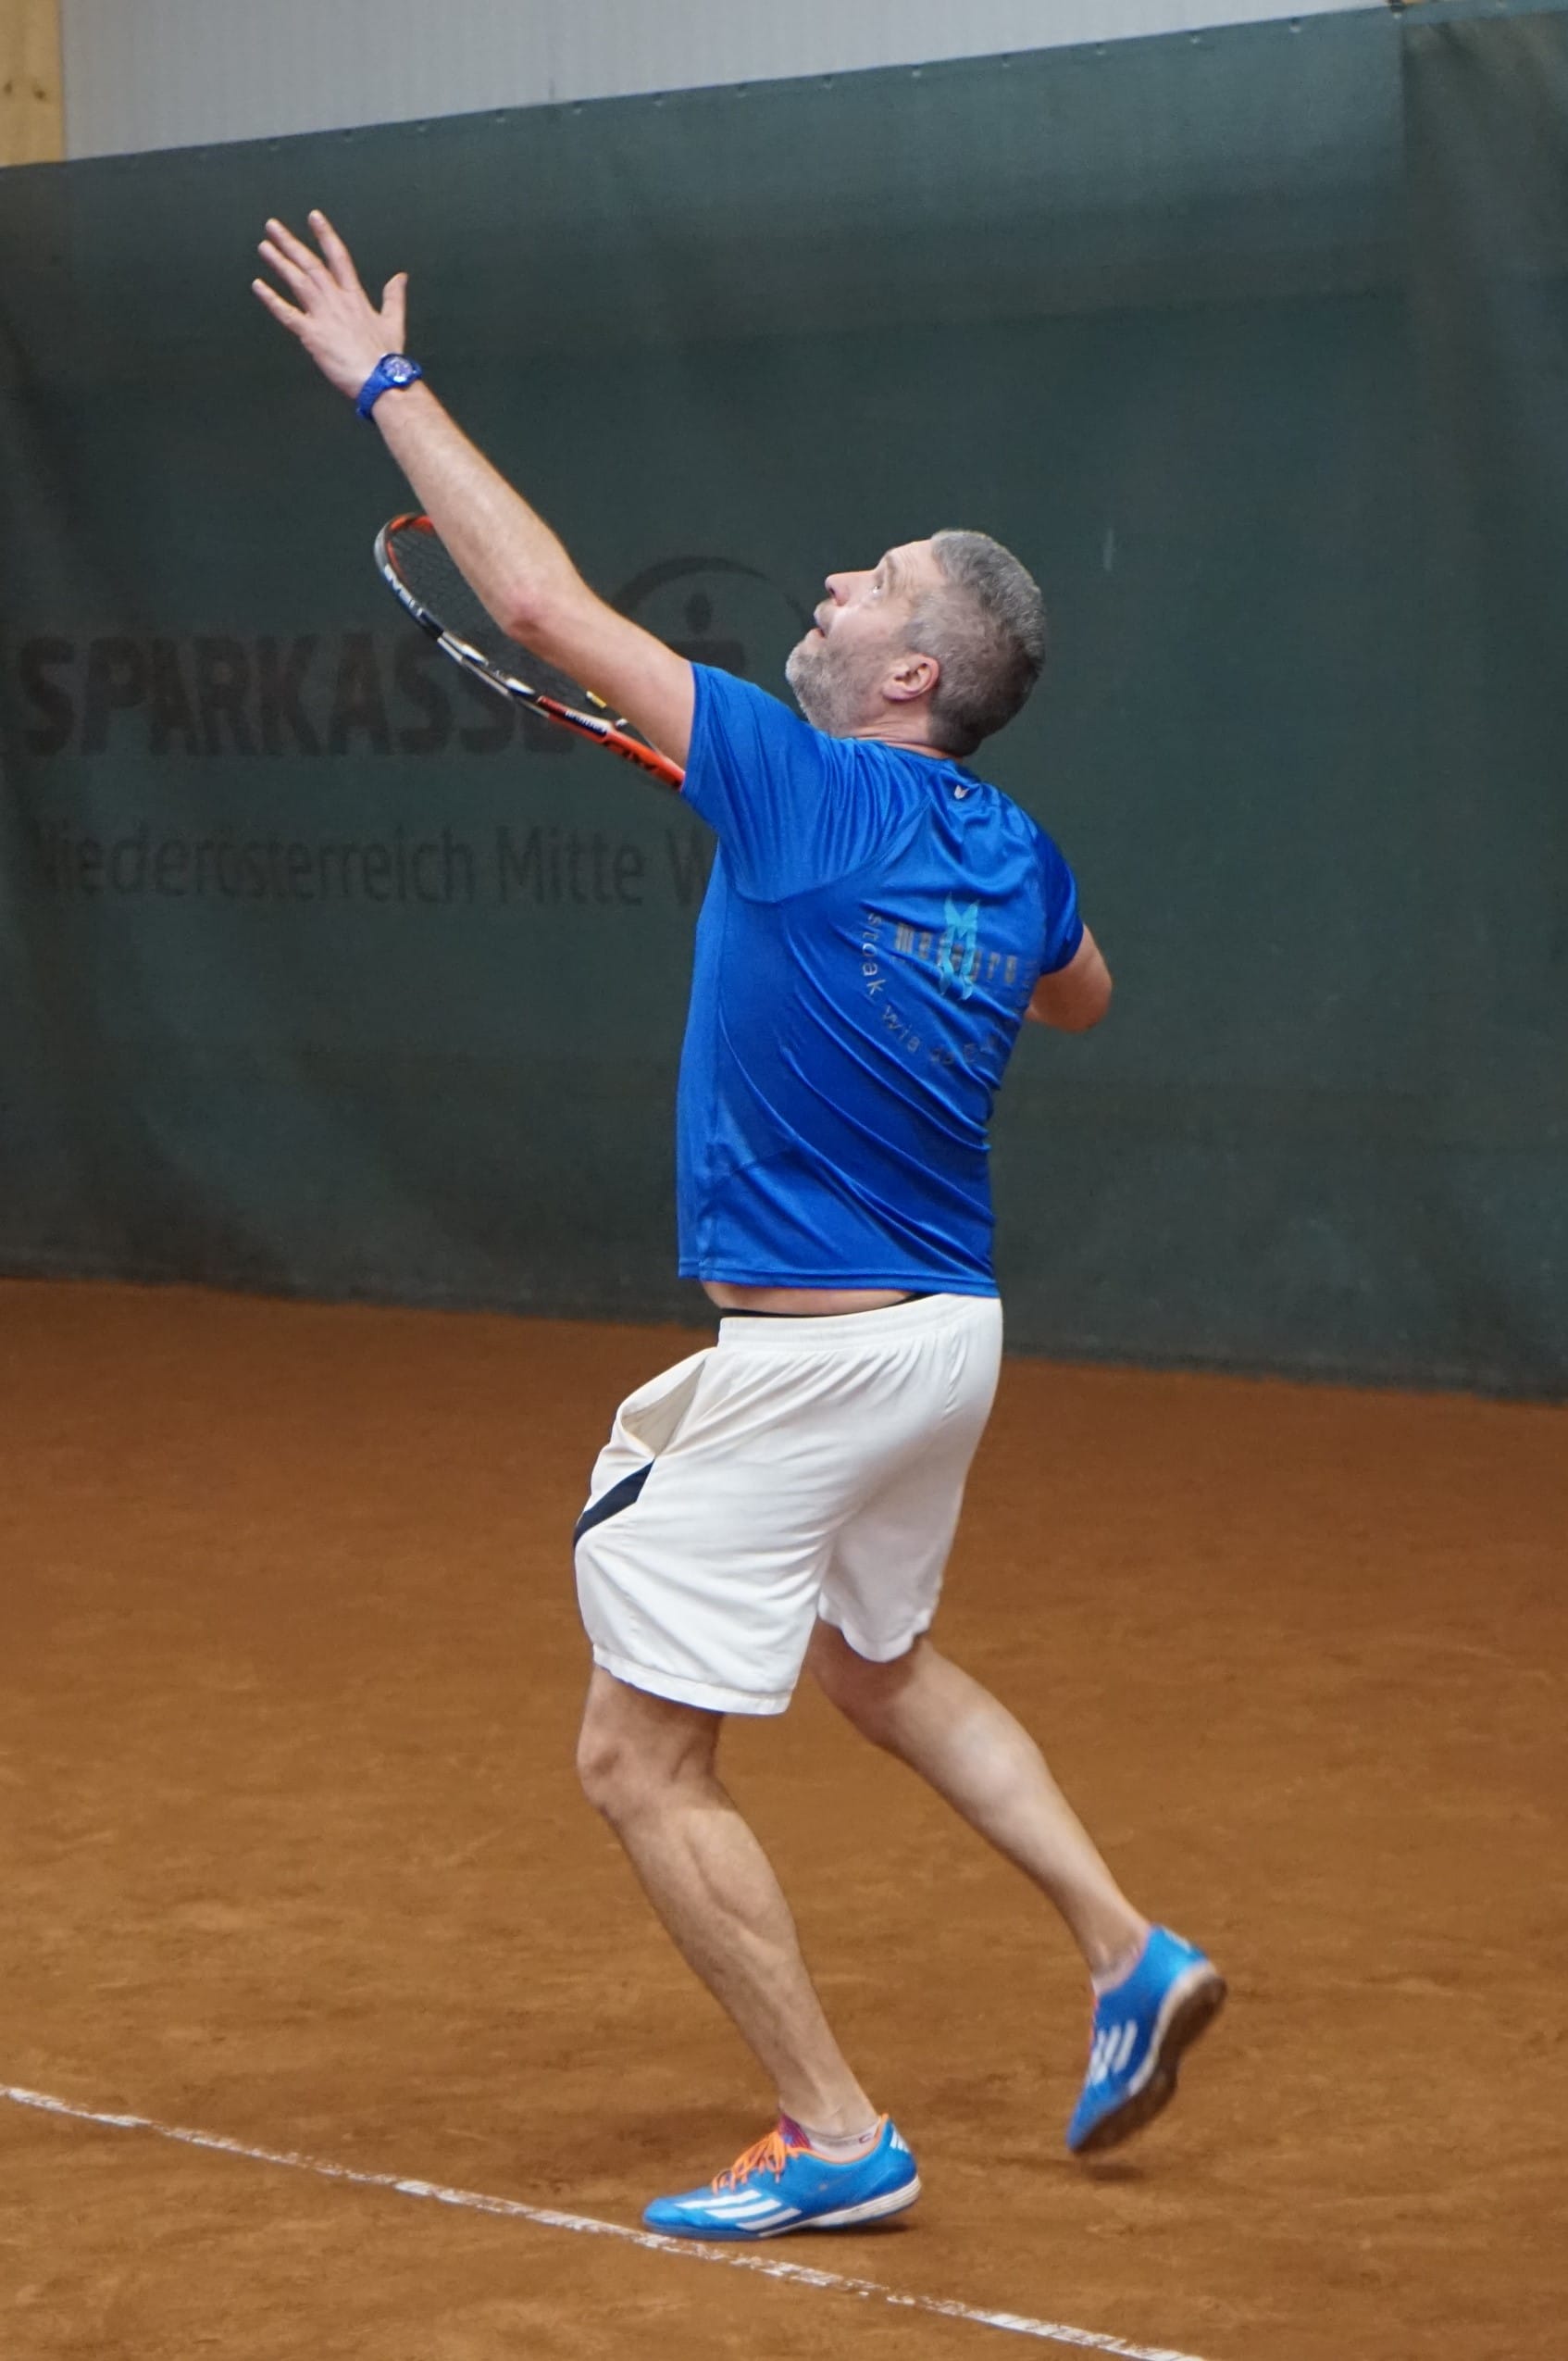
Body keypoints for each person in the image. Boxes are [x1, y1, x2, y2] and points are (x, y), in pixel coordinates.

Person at [255, 211, 1225, 2242]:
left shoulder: (796, 783)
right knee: (878, 1670)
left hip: (823, 1356)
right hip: (944, 1340)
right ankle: (1126, 1949)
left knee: (636, 1762)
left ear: (907, 672)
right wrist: (891, 942)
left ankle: (832, 2130)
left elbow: (536, 599)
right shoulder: (1006, 846)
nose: (832, 582)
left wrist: (381, 381)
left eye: (870, 579)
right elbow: (1082, 997)